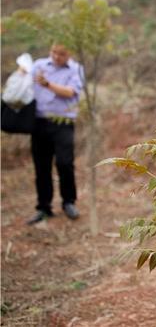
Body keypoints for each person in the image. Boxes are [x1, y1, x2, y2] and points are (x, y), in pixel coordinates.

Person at [27, 44, 84, 225]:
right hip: (39, 122)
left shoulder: (76, 70)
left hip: (63, 123)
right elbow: (25, 81)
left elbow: (70, 92)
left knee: (64, 163)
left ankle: (68, 202)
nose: (56, 57)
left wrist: (47, 84)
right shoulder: (39, 65)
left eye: (61, 54)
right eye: (53, 52)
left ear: (70, 53)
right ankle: (44, 207)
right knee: (41, 166)